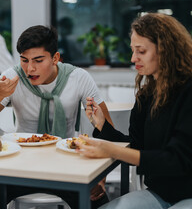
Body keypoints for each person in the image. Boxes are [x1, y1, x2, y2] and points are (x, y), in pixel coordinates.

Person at [0, 25, 113, 209]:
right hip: (20, 167)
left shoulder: (78, 78)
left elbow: (108, 130)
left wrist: (101, 178)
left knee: (99, 204)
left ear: (55, 58)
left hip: (67, 167)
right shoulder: (12, 77)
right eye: (24, 60)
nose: (30, 68)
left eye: (38, 60)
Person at [78, 13, 192, 209]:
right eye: (133, 50)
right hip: (159, 194)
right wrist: (102, 125)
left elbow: (178, 160)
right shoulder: (147, 94)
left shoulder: (188, 91)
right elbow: (136, 145)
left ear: (166, 50)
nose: (133, 58)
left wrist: (112, 150)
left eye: (141, 51)